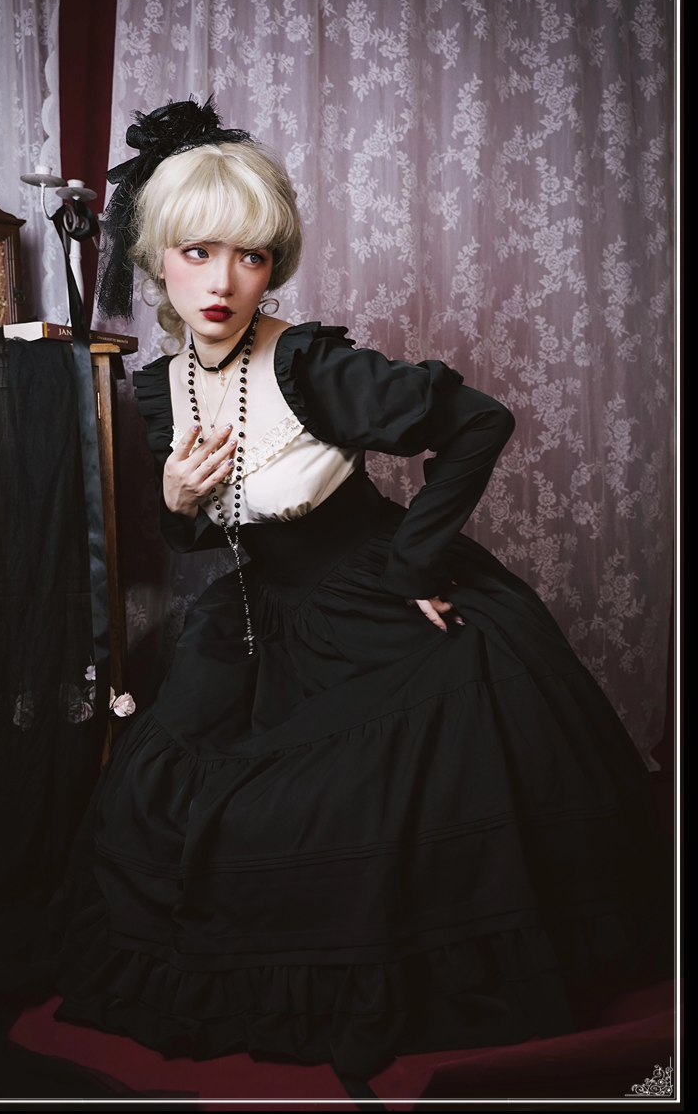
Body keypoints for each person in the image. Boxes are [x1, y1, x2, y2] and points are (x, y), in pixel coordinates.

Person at [51, 98, 668, 1100]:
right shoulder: (161, 385)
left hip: (369, 601)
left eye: (250, 256)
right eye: (198, 252)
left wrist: (416, 564)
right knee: (164, 797)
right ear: (157, 259)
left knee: (347, 810)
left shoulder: (315, 366)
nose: (222, 282)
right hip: (254, 618)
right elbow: (206, 534)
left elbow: (479, 422)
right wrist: (176, 501)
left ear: (273, 265)